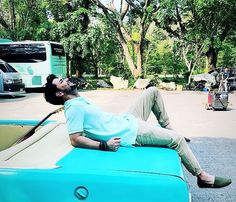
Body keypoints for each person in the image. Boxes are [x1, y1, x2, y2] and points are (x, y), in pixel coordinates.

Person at [44, 74, 232, 189]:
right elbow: (75, 139)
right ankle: (203, 177)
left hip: (127, 119)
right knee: (176, 140)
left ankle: (167, 127)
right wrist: (104, 145)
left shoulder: (76, 101)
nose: (66, 79)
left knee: (152, 92)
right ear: (60, 93)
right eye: (61, 81)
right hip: (132, 132)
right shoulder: (72, 107)